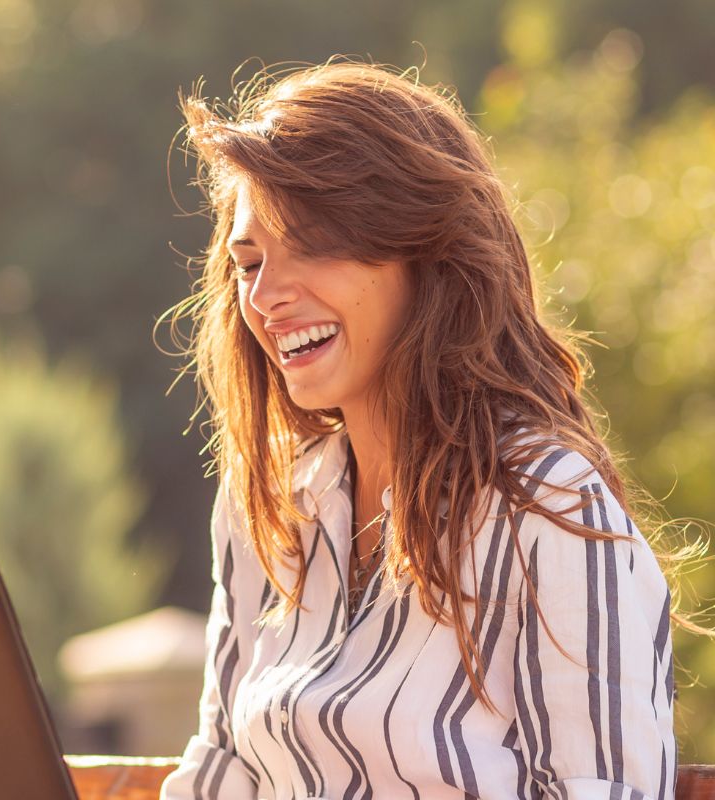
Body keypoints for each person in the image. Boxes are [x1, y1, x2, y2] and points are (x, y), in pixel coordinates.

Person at [159, 58, 698, 800]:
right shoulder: (268, 507)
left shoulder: (551, 509)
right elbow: (223, 770)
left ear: (425, 254)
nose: (268, 296)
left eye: (312, 245)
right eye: (248, 262)